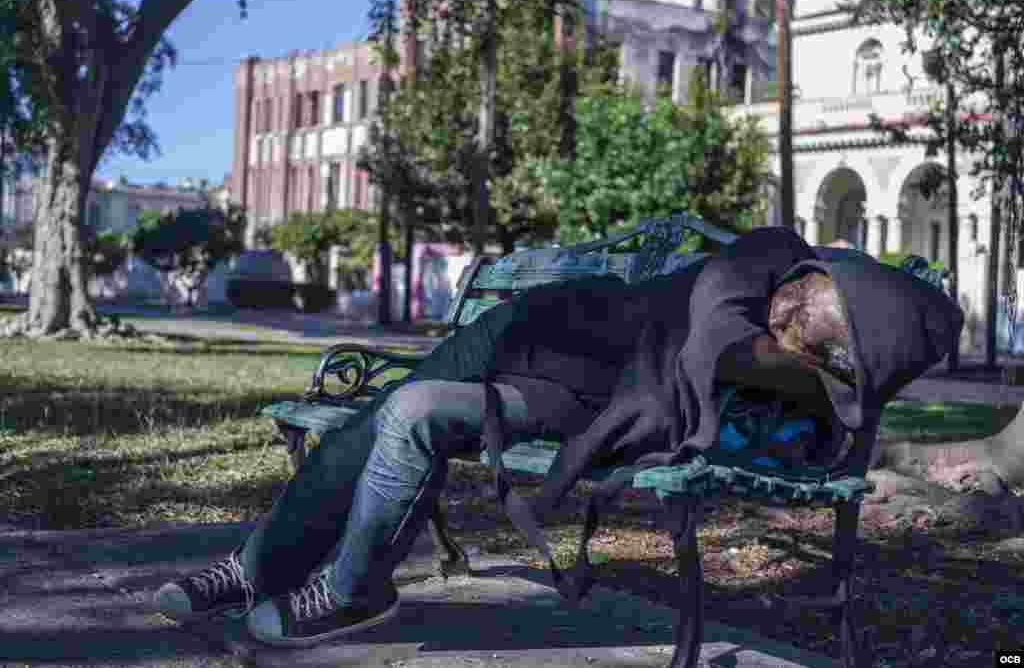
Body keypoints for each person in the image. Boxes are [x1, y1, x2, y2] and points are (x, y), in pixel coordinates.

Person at [153, 227, 961, 648]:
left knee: (402, 412)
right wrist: (793, 338)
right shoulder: (767, 258)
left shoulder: (783, 342)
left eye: (798, 328)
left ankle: (337, 584)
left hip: (569, 383)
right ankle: (260, 567)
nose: (782, 321)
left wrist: (811, 354)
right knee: (387, 415)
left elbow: (744, 359)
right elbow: (719, 320)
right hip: (542, 332)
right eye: (792, 308)